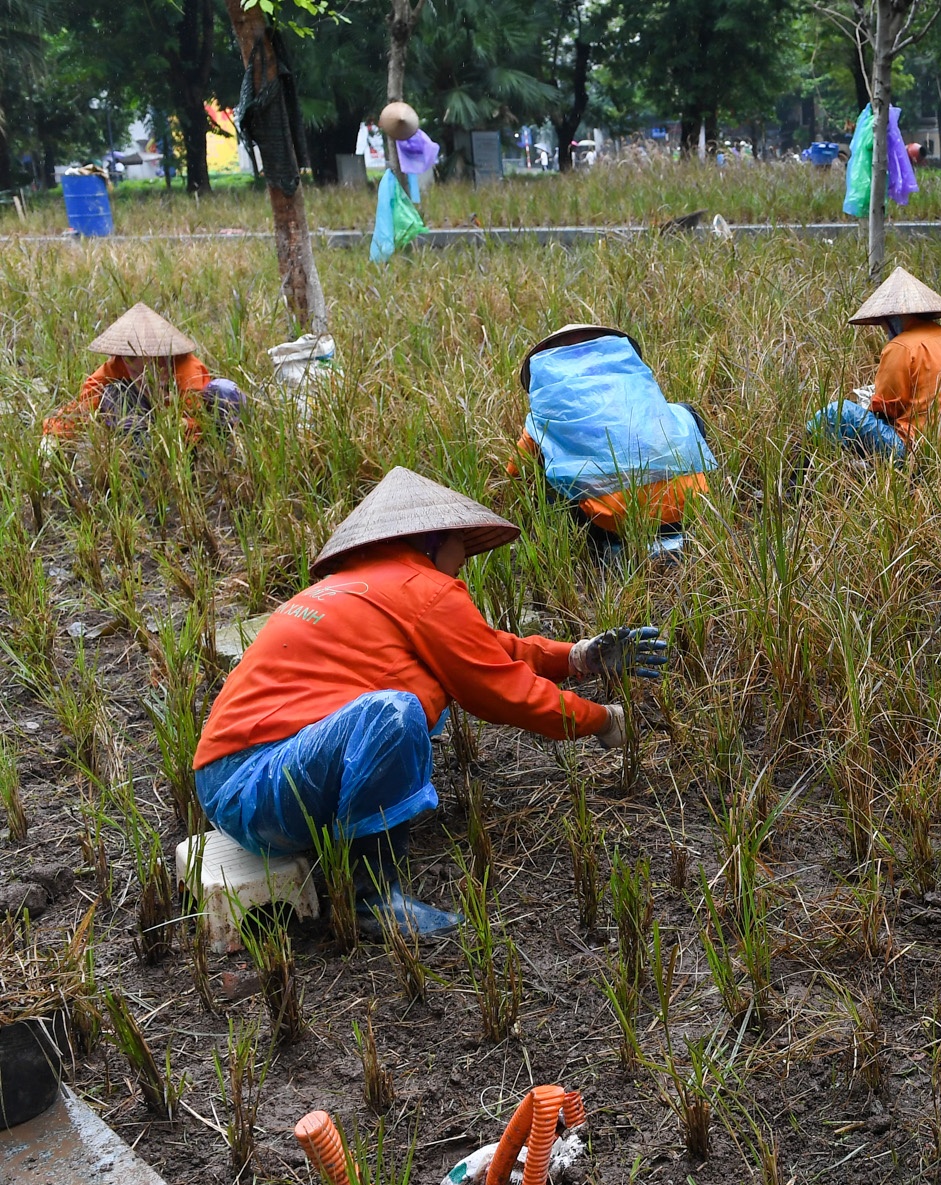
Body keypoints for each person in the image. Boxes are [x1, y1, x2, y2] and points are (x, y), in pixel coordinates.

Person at [192, 467, 666, 939]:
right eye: (461, 544)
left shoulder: (360, 588)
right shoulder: (423, 590)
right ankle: (372, 900)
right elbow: (503, 692)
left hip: (227, 786)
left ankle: (355, 858)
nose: (465, 561)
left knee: (400, 701)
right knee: (391, 714)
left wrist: (576, 658)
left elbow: (484, 646)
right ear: (433, 540)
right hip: (261, 789)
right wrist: (600, 720)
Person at [512, 323, 717, 545]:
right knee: (684, 412)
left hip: (613, 524)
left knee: (546, 467)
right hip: (691, 506)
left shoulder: (543, 423)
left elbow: (517, 474)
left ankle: (595, 548)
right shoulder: (649, 405)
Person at [808, 267, 941, 465]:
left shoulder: (901, 346)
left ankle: (796, 478)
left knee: (837, 413)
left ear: (892, 318)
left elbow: (885, 408)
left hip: (921, 454)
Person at [43, 302, 245, 442]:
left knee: (224, 391)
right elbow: (85, 406)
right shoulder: (118, 366)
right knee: (116, 394)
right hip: (149, 429)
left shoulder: (185, 368)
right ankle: (143, 463)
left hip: (194, 433)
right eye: (130, 359)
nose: (132, 366)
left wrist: (179, 425)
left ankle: (233, 450)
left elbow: (196, 417)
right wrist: (53, 433)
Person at [372, 101, 437, 264]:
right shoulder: (418, 139)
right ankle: (406, 257)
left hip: (401, 182)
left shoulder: (403, 144)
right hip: (404, 182)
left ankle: (404, 257)